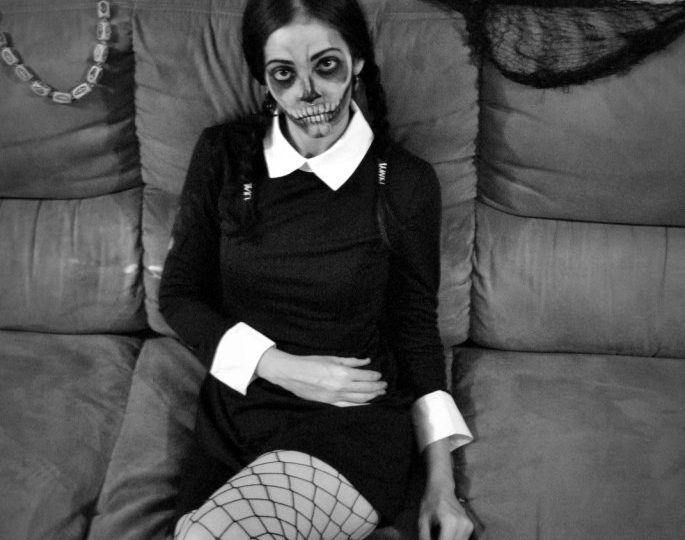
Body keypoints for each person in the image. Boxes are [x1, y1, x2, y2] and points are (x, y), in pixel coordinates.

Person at [159, 0, 474, 538]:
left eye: (326, 66)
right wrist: (278, 366)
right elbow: (179, 296)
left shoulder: (404, 182)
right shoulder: (223, 155)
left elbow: (416, 332)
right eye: (284, 74)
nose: (307, 93)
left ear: (358, 62)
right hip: (237, 409)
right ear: (264, 80)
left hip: (348, 424)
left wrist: (441, 485)